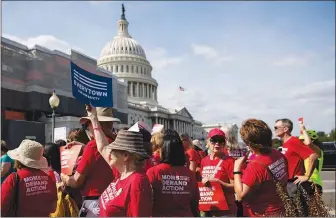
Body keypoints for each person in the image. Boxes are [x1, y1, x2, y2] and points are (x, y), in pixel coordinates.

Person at [85, 105, 152, 217]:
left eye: (114, 150)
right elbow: (102, 147)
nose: (109, 152)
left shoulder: (137, 182)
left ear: (125, 155)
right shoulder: (121, 173)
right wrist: (93, 118)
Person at [60, 107, 120, 215]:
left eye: (89, 122)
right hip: (114, 201)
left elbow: (76, 181)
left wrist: (65, 178)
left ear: (97, 124)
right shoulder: (117, 144)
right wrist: (84, 147)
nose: (87, 126)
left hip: (94, 204)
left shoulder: (92, 146)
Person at [234, 119, 289, 217]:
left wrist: (236, 170)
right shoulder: (277, 154)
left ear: (249, 143)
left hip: (263, 213)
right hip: (280, 210)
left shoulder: (255, 165)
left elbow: (240, 196)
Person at [146, 129, 200, 217]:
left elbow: (146, 202)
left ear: (163, 150)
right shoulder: (189, 174)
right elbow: (194, 203)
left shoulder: (153, 172)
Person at [1, 139, 57, 216]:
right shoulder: (48, 178)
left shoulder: (13, 179)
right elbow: (53, 208)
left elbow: (2, 207)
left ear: (18, 160)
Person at [200, 128, 236, 216]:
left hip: (225, 210)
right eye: (214, 141)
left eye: (220, 141)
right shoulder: (204, 161)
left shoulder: (230, 161)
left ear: (224, 143)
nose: (217, 144)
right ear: (208, 142)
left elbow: (236, 186)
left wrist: (219, 182)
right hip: (208, 209)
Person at [299, 127, 324, 194]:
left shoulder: (317, 152)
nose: (302, 142)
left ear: (312, 140)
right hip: (306, 183)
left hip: (314, 183)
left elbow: (309, 144)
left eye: (303, 140)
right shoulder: (306, 153)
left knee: (314, 204)